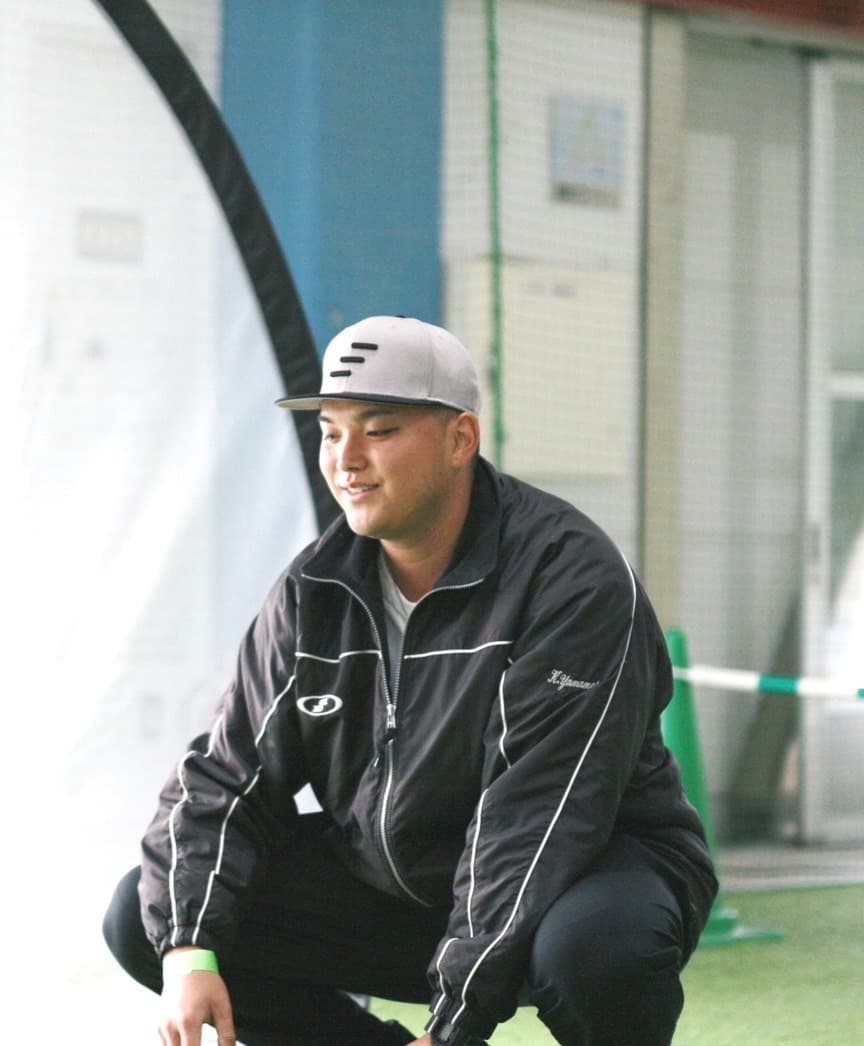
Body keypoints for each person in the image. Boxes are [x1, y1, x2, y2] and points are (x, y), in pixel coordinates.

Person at [101, 315, 717, 1046]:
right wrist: (188, 951)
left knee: (594, 956)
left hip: (586, 872)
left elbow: (537, 821)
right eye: (331, 432)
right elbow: (226, 777)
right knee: (150, 918)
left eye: (380, 429)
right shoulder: (313, 590)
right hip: (398, 881)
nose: (347, 460)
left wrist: (455, 1024)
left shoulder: (571, 578)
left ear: (461, 440)